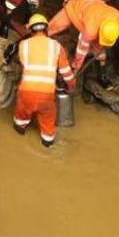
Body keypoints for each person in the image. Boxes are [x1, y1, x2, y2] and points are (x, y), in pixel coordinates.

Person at [11, 14, 76, 147]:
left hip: (26, 92)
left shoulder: (24, 45)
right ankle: (47, 141)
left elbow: (24, 63)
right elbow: (66, 72)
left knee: (21, 116)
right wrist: (71, 84)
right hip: (46, 95)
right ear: (46, 29)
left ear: (30, 29)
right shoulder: (56, 46)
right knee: (48, 120)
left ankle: (21, 129)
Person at [47, 0, 119, 85]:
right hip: (76, 6)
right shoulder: (90, 31)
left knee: (101, 53)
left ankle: (102, 75)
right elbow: (81, 51)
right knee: (52, 28)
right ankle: (34, 39)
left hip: (94, 11)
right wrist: (76, 68)